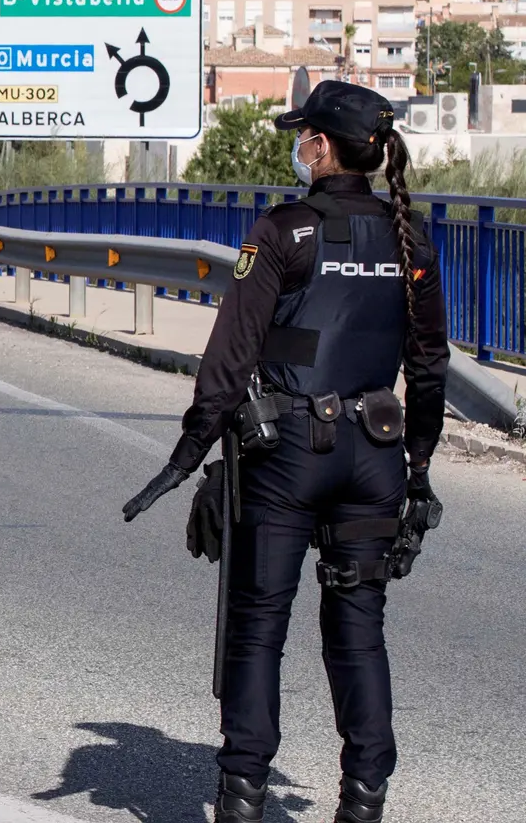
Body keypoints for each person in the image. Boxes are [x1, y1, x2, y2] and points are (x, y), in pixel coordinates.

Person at [123, 82, 448, 823]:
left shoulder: (281, 232)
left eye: (304, 133)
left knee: (258, 622)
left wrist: (190, 450)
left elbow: (229, 358)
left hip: (288, 453)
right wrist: (419, 469)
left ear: (323, 147)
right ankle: (363, 801)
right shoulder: (411, 239)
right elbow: (430, 362)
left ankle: (241, 798)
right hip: (378, 454)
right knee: (359, 628)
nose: (298, 144)